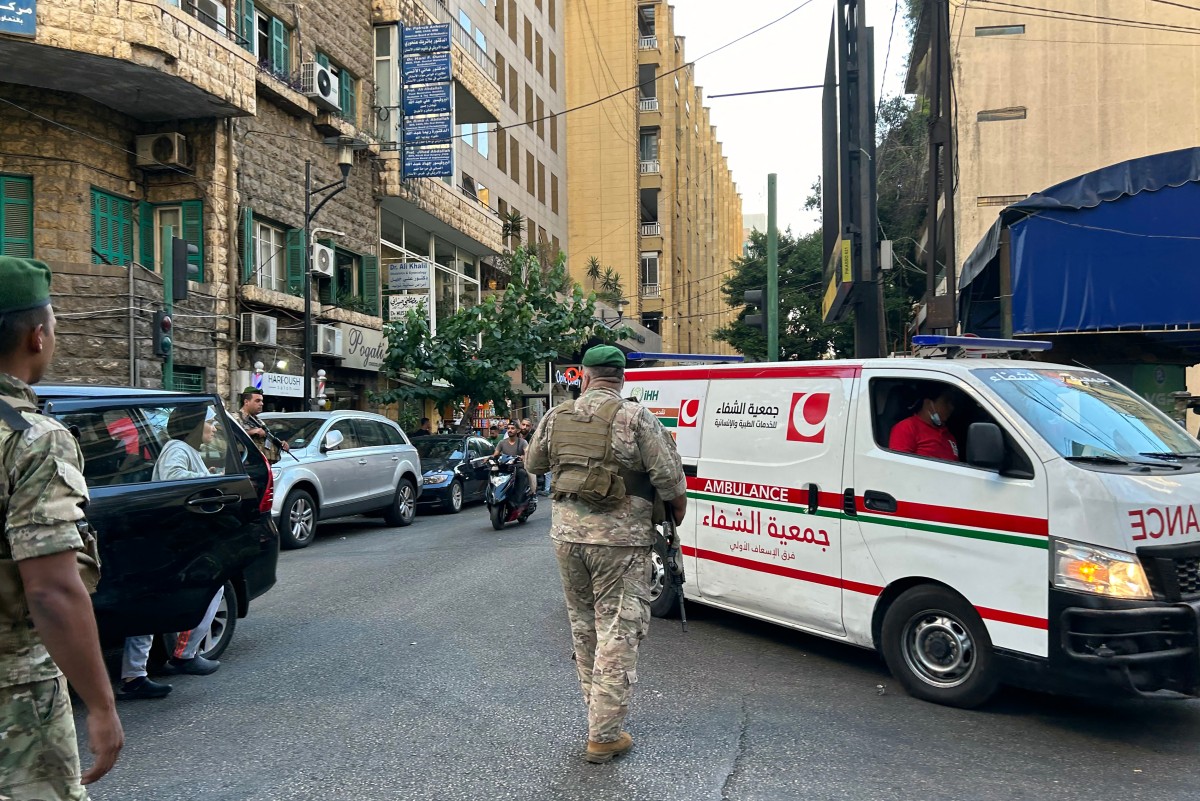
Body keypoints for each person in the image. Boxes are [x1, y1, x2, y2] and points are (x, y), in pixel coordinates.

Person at [526, 345, 687, 764]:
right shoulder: (636, 417)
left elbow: (533, 462)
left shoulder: (556, 415)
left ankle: (596, 715)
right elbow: (670, 481)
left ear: (583, 374)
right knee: (618, 628)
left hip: (567, 537)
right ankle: (603, 734)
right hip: (622, 542)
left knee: (583, 626)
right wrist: (675, 516)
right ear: (621, 377)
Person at [0, 256, 124, 797]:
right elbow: (51, 589)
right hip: (14, 690)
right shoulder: (33, 439)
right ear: (37, 336)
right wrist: (100, 704)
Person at [119, 405, 223, 700]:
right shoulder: (177, 448)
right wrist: (207, 480)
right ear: (193, 424)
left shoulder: (180, 448)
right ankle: (180, 656)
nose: (214, 428)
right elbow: (174, 478)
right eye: (210, 423)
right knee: (194, 592)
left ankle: (137, 673)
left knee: (153, 604)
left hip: (169, 539)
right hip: (168, 540)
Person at [888, 385, 961, 461]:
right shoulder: (906, 428)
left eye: (952, 403)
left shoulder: (949, 436)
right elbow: (901, 467)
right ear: (929, 404)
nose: (951, 407)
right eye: (946, 402)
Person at [236, 387, 288, 463]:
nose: (261, 404)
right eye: (257, 401)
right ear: (246, 402)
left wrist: (280, 444)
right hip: (245, 465)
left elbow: (267, 441)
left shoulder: (259, 421)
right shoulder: (236, 418)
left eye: (262, 401)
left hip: (262, 466)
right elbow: (227, 436)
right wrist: (252, 432)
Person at [492, 422, 531, 501]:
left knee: (522, 473)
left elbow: (527, 452)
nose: (510, 430)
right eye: (508, 428)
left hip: (517, 467)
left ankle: (520, 497)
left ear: (517, 430)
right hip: (505, 468)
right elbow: (495, 454)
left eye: (512, 428)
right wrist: (490, 458)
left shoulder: (523, 442)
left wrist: (524, 457)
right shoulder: (502, 442)